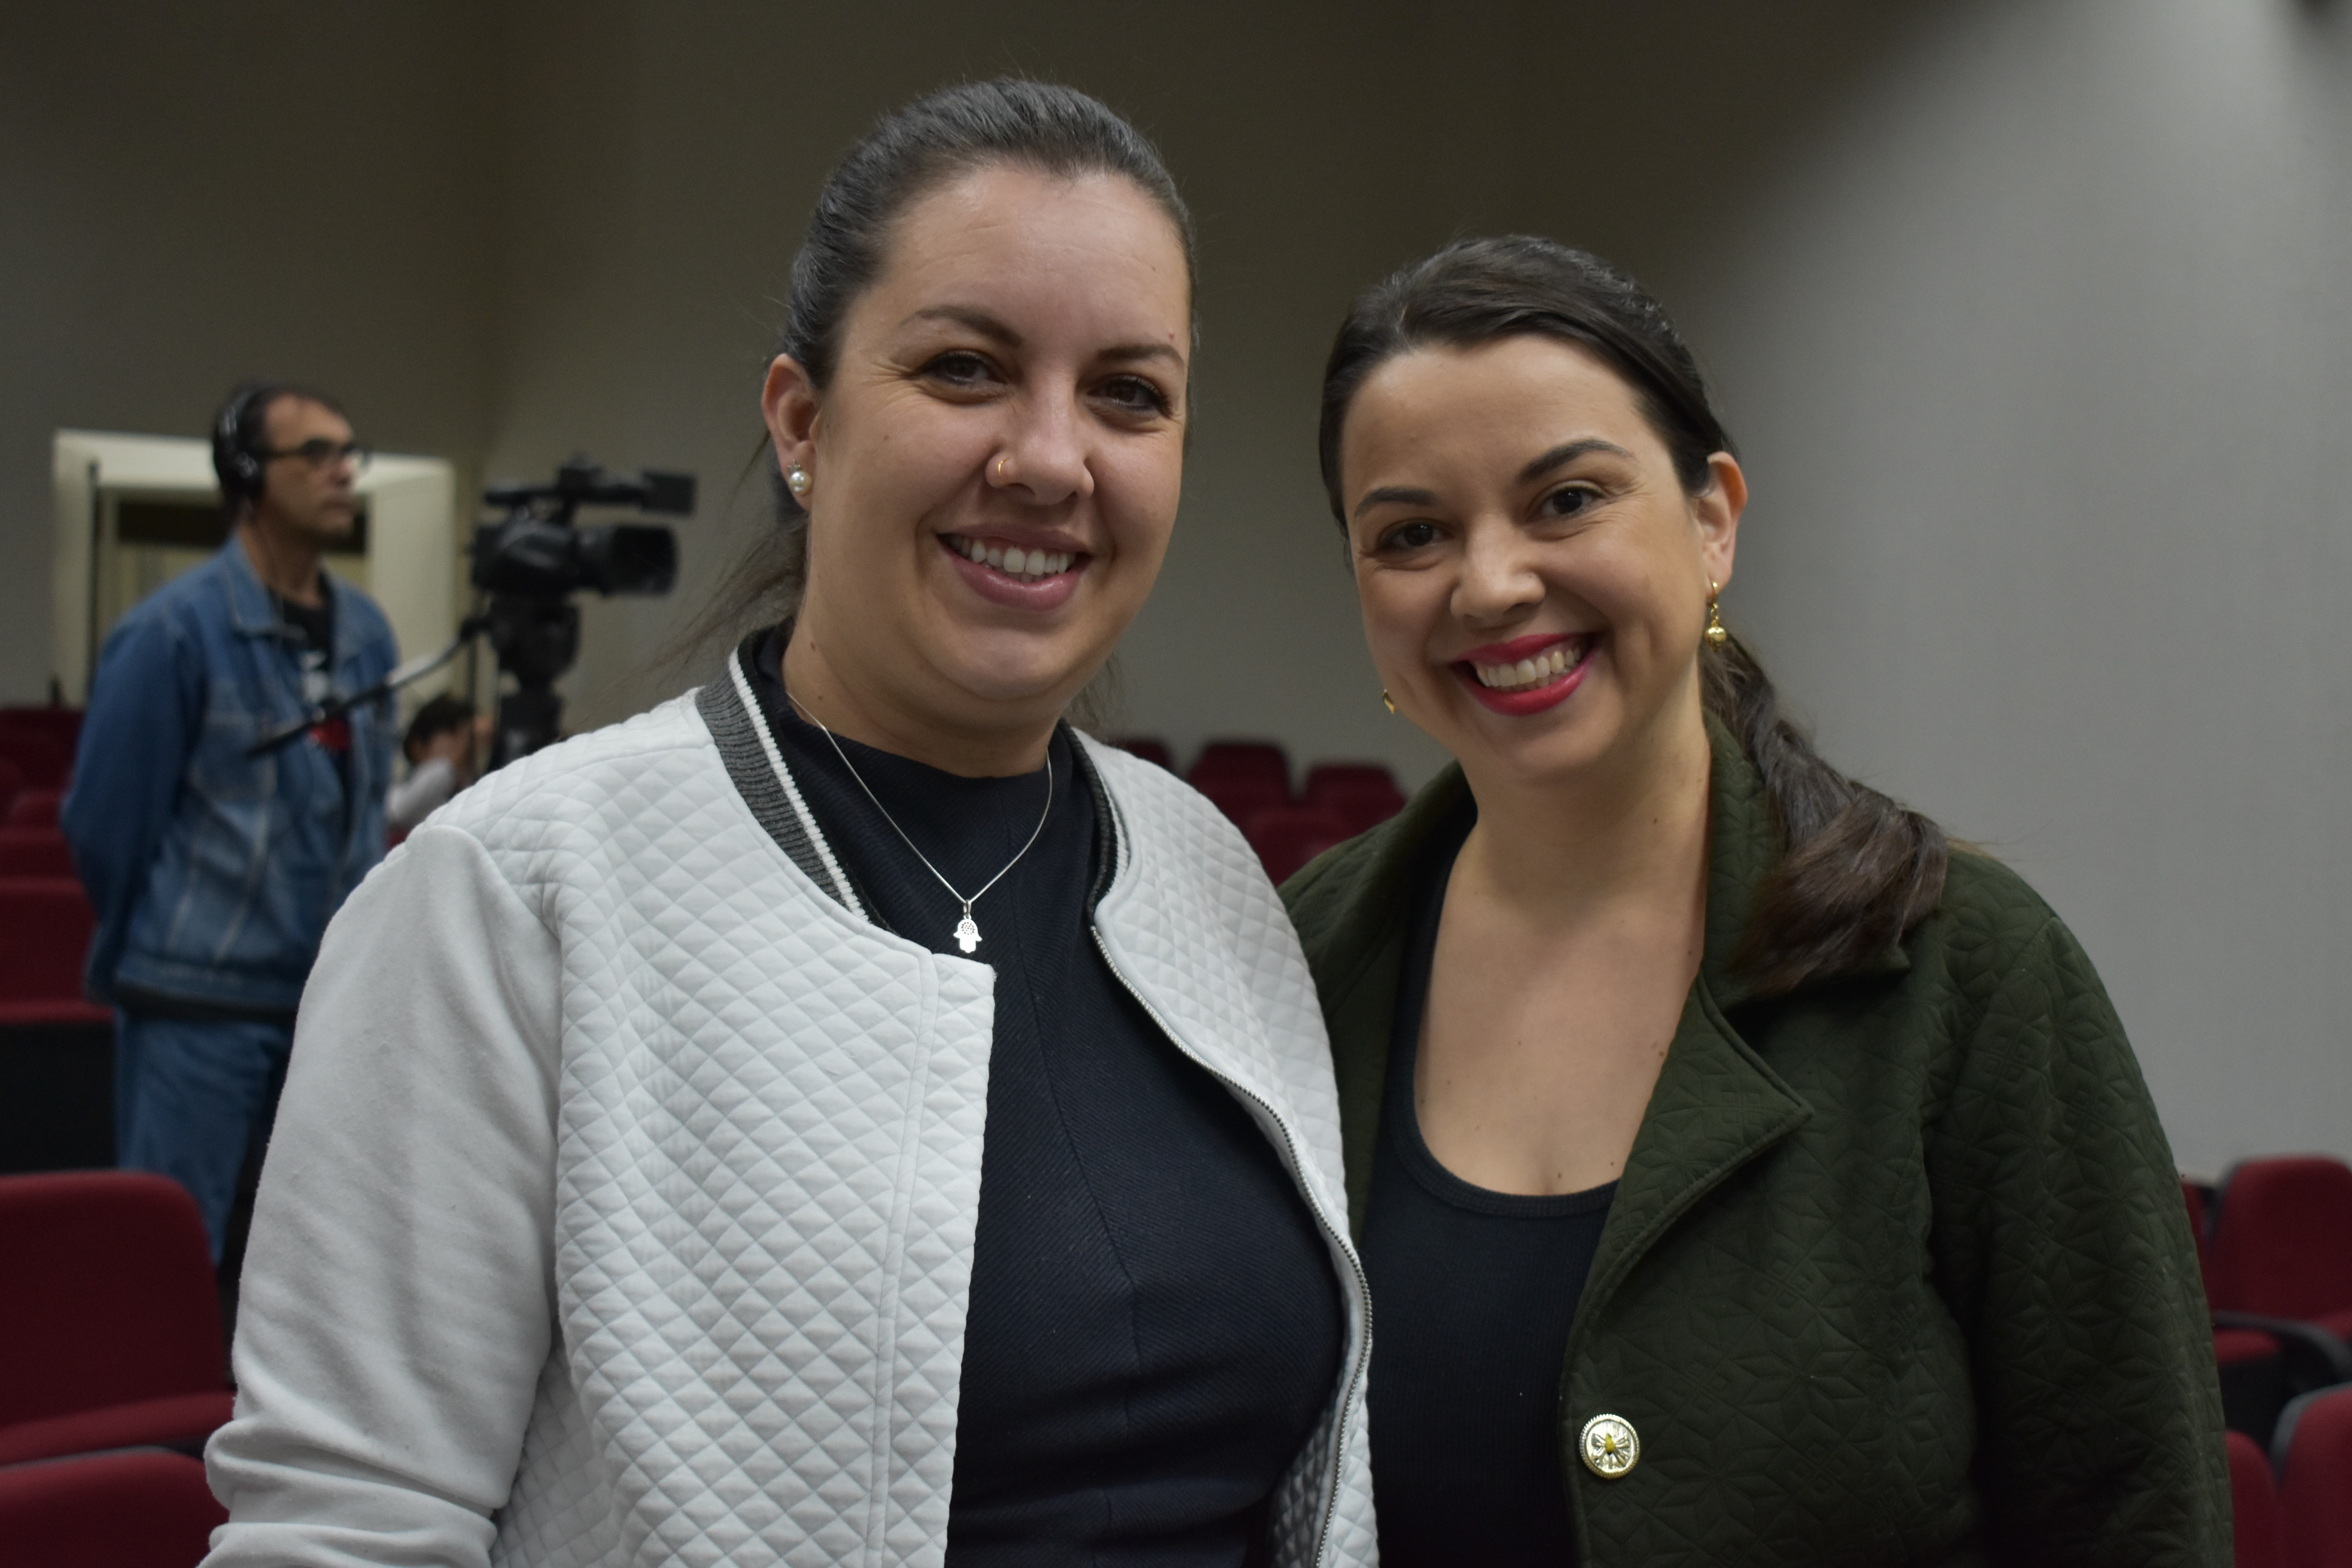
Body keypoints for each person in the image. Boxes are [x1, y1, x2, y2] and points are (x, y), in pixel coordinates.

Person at [203, 82, 1372, 1568]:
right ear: (803, 422)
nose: (1053, 456)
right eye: (966, 369)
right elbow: (344, 1526)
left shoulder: (1209, 876)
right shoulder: (513, 895)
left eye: (1130, 393)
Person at [1281, 236, 2227, 1565]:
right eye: (1413, 534)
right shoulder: (1295, 968)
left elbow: (2136, 1518)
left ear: (1713, 517)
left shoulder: (1970, 977)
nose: (1490, 585)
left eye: (1565, 501)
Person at [61, 381, 397, 1260]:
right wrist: (178, 932)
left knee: (307, 1269)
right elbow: (105, 826)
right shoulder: (172, 631)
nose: (343, 472)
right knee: (170, 1257)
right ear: (249, 473)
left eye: (347, 452)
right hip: (194, 1002)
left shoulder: (366, 632)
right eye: (315, 453)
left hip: (327, 1005)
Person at [385, 691, 485, 833]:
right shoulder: (402, 789)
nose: (462, 744)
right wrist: (450, 764)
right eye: (453, 733)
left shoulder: (471, 786)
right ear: (418, 748)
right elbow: (399, 811)